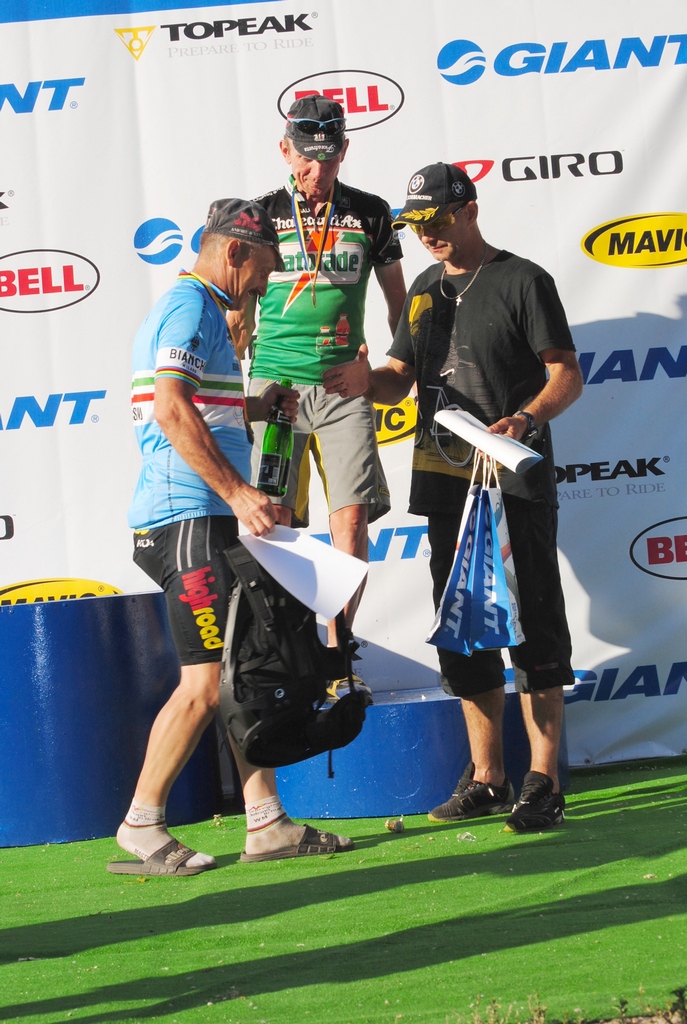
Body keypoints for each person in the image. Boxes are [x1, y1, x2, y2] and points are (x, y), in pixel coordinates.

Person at [323, 162, 583, 832]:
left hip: (511, 481)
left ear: (470, 209)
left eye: (437, 220)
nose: (427, 235)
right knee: (464, 634)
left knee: (534, 628)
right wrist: (365, 378)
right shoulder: (422, 289)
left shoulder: (522, 279)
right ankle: (487, 778)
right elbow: (399, 378)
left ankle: (544, 780)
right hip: (444, 485)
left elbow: (565, 374)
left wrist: (525, 418)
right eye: (416, 225)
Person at [110, 198, 354, 875]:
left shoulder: (197, 310)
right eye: (265, 270)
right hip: (187, 519)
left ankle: (266, 822)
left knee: (244, 676)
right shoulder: (189, 307)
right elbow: (169, 408)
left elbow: (190, 403)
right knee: (203, 682)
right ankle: (139, 824)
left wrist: (253, 406)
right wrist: (239, 493)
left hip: (201, 515)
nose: (265, 286)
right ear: (235, 252)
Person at [232, 95, 406, 698]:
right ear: (285, 151)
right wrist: (235, 373)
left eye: (329, 160)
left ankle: (338, 653)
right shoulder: (260, 214)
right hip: (275, 389)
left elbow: (399, 306)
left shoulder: (371, 212)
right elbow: (238, 304)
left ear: (344, 150)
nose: (317, 171)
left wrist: (387, 369)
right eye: (306, 160)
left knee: (351, 519)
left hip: (342, 388)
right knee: (273, 521)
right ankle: (286, 651)